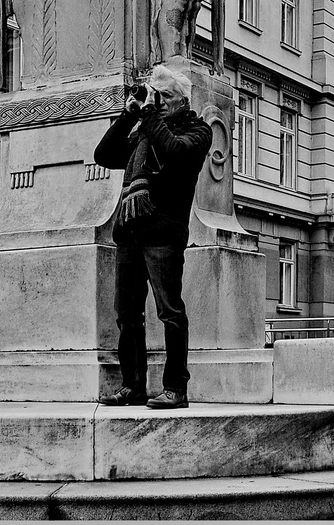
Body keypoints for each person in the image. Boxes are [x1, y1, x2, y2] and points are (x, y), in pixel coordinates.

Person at [93, 64, 211, 409]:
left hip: (163, 232)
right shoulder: (143, 131)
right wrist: (129, 114)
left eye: (162, 96)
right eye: (154, 95)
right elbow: (104, 155)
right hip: (129, 231)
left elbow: (175, 154)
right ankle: (133, 386)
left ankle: (176, 388)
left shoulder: (198, 129)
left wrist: (147, 116)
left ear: (180, 100)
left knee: (170, 312)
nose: (156, 102)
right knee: (127, 315)